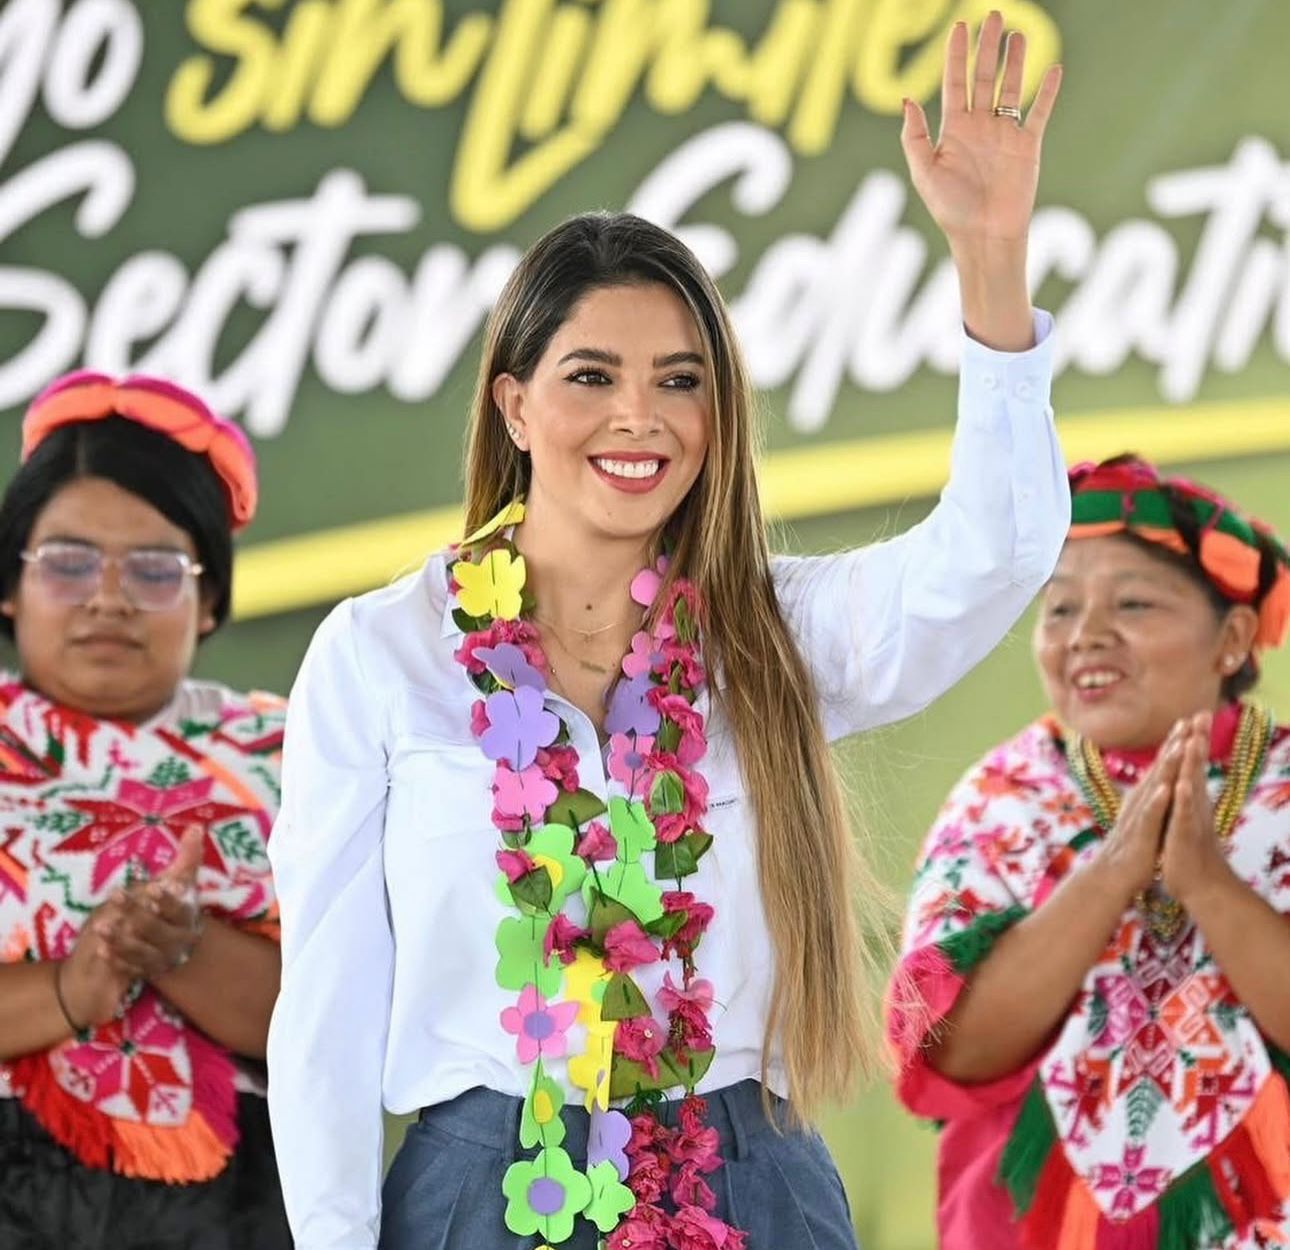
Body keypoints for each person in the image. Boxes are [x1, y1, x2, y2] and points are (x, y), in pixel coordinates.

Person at [267, 13, 1066, 1249]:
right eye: (592, 375)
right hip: (487, 1185)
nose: (640, 417)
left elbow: (995, 554)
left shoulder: (769, 631)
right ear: (514, 403)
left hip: (747, 1177)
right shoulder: (384, 651)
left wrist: (991, 259)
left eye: (680, 378)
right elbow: (322, 1003)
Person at [888, 454, 1290, 1250]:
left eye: (1133, 603)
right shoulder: (1004, 799)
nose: (1086, 636)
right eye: (1060, 609)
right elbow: (949, 1050)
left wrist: (1207, 883)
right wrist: (1110, 874)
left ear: (1233, 637)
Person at [0, 371, 291, 1249]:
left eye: (156, 568)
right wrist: (70, 986)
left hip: (231, 1207)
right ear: (10, 586)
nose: (109, 597)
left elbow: (329, 1026)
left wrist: (181, 948)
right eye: (68, 561)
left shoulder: (291, 756)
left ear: (208, 602)